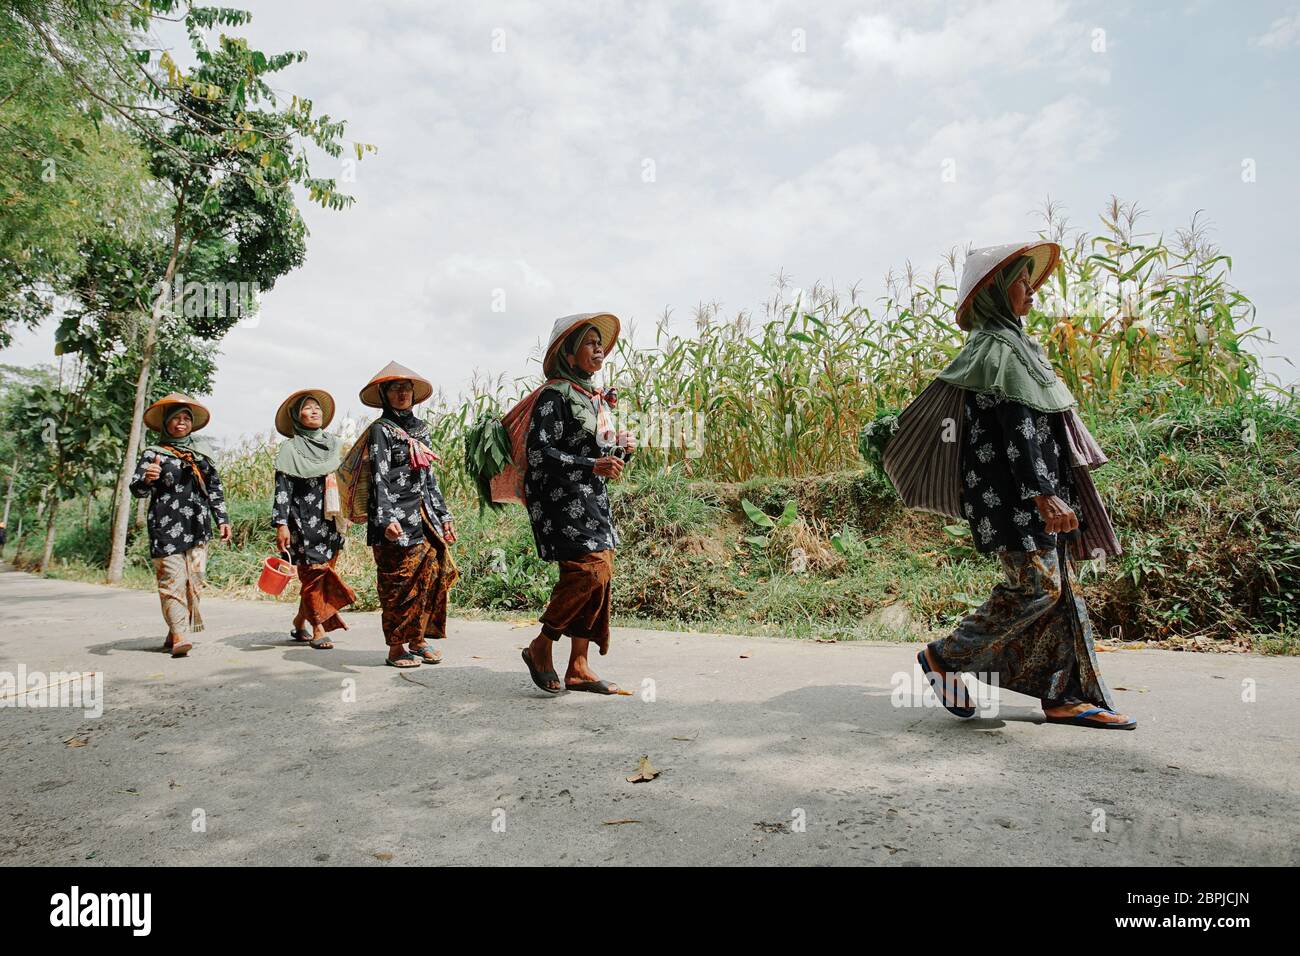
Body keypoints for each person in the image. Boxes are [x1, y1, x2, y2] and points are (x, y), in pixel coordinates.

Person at [883, 242, 1134, 730]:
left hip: (1033, 492)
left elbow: (1041, 429)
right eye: (1023, 282)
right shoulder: (997, 351)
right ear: (996, 292)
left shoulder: (1015, 347)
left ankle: (1063, 696)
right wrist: (1043, 494)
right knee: (1038, 586)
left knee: (1058, 592)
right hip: (1015, 497)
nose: (1032, 293)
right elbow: (1018, 429)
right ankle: (944, 657)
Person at [520, 313, 635, 696]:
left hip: (592, 499)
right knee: (590, 571)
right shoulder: (554, 395)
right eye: (588, 342)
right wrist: (593, 463)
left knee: (600, 575)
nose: (598, 347)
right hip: (560, 500)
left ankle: (578, 667)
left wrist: (622, 451)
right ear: (569, 355)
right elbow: (539, 453)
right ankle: (542, 645)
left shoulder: (593, 399)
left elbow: (602, 458)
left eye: (599, 342)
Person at [360, 362, 458, 668]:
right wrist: (387, 518)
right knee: (398, 583)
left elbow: (429, 477)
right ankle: (396, 647)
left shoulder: (421, 429)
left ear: (414, 395)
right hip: (395, 518)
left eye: (406, 389)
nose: (402, 393)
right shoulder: (381, 430)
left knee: (429, 576)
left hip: (424, 515)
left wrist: (444, 514)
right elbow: (380, 475)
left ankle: (418, 640)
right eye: (395, 389)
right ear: (384, 394)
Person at [129, 393, 231, 658]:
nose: (182, 423)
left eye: (186, 418)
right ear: (166, 424)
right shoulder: (153, 454)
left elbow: (214, 489)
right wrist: (148, 478)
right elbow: (137, 489)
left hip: (198, 527)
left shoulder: (201, 455)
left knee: (195, 581)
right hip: (165, 526)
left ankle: (176, 627)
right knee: (171, 579)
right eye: (176, 418)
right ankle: (180, 635)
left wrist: (222, 519)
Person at [271, 389, 356, 649]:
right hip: (303, 520)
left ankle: (300, 622)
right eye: (307, 408)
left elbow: (347, 479)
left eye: (317, 407)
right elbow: (283, 490)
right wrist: (281, 524)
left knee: (319, 574)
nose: (315, 410)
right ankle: (318, 627)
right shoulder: (290, 449)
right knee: (313, 573)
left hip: (331, 520)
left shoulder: (334, 444)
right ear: (297, 417)